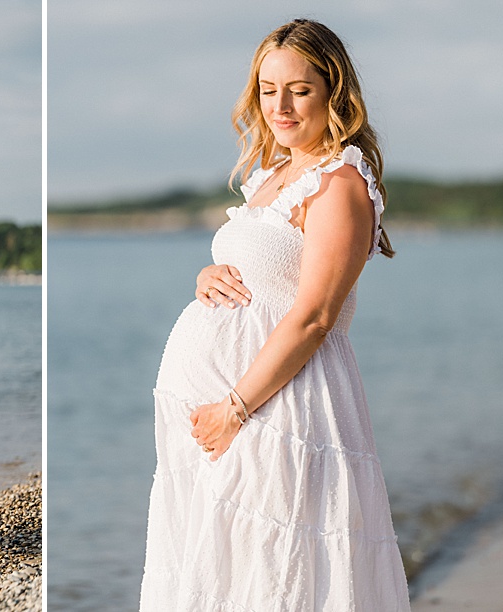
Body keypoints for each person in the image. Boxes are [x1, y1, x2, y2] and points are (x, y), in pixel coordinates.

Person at [140, 19, 410, 610]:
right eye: (268, 89)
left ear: (333, 91)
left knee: (279, 572)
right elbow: (270, 275)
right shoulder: (273, 174)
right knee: (228, 571)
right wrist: (207, 276)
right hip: (232, 410)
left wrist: (235, 407)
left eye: (300, 89)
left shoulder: (340, 182)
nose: (280, 106)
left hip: (279, 407)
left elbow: (315, 315)